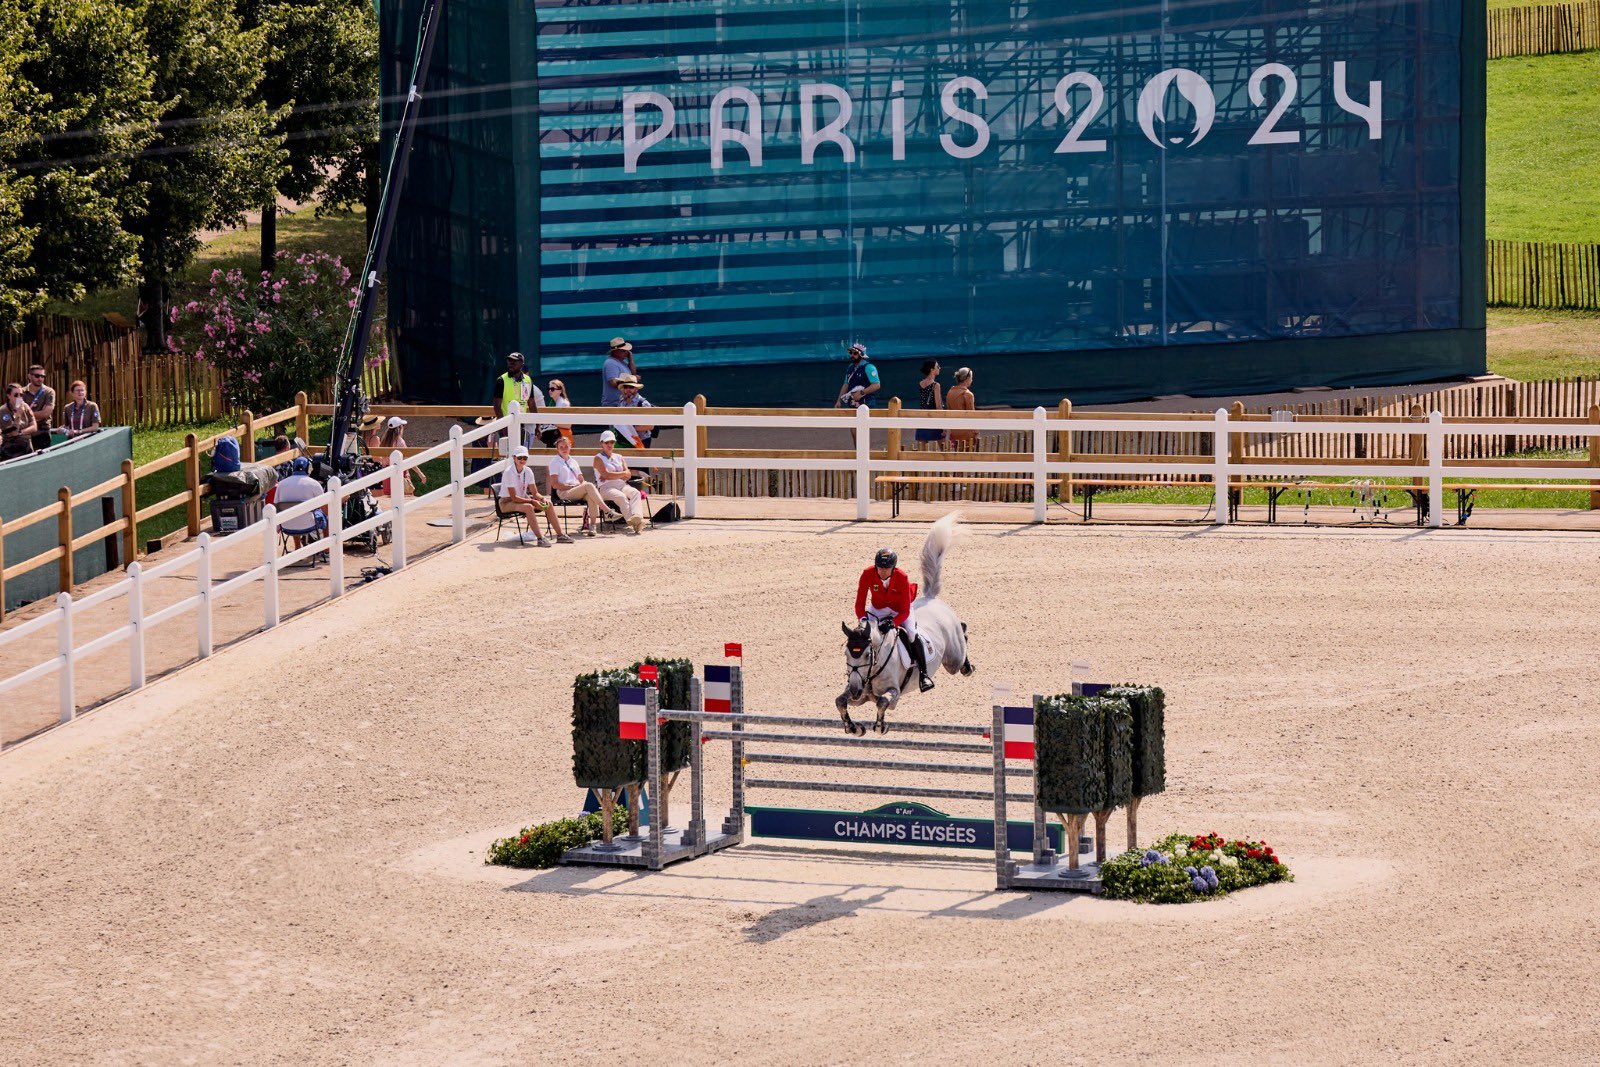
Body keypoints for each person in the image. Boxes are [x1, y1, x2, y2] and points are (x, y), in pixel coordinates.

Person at [854, 547, 934, 692]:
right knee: (863, 634)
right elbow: (859, 604)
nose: (882, 571)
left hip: (900, 608)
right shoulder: (867, 574)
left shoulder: (902, 577)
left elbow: (904, 610)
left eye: (886, 569)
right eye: (879, 568)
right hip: (878, 608)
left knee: (911, 633)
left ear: (893, 568)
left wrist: (893, 623)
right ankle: (858, 672)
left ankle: (924, 674)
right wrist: (863, 619)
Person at [500, 445, 570, 546]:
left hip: (522, 499)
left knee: (548, 503)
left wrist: (542, 498)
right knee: (529, 507)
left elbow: (535, 493)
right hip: (506, 502)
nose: (522, 460)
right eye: (519, 457)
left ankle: (560, 535)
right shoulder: (508, 472)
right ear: (514, 458)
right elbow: (514, 497)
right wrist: (532, 501)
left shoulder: (528, 471)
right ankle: (540, 538)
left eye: (525, 458)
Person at [546, 436, 612, 536]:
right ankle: (607, 510)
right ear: (557, 449)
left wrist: (583, 485)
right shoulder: (554, 462)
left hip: (576, 489)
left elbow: (581, 479)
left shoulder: (573, 461)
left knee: (590, 494)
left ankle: (592, 526)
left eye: (566, 446)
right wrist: (572, 487)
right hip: (564, 492)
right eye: (561, 447)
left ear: (570, 447)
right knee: (589, 486)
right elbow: (554, 485)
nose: (564, 449)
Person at [592, 430, 647, 533]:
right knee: (621, 496)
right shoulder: (598, 458)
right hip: (606, 488)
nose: (609, 445)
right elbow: (607, 475)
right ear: (601, 443)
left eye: (612, 442)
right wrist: (620, 473)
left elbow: (628, 475)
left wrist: (612, 475)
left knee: (635, 493)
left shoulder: (619, 456)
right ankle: (635, 523)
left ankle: (637, 518)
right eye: (606, 442)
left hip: (621, 485)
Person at [273, 457, 328, 549]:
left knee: (293, 513)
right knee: (327, 516)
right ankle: (327, 550)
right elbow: (325, 509)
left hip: (286, 526)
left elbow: (275, 507)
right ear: (308, 469)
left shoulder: (281, 484)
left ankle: (297, 547)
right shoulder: (314, 484)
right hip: (309, 525)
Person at [378, 416, 427, 495]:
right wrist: (420, 473)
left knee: (388, 500)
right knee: (405, 499)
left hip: (387, 475)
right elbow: (408, 460)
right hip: (400, 474)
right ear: (400, 428)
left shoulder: (384, 441)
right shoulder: (400, 442)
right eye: (403, 426)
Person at [612, 374, 655, 447]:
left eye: (631, 387)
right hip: (626, 440)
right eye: (626, 387)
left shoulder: (643, 404)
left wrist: (631, 429)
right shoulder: (622, 401)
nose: (628, 389)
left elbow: (650, 426)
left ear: (636, 389)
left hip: (641, 440)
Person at [835, 343, 880, 409]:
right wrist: (839, 401)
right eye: (851, 353)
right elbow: (846, 385)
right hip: (853, 404)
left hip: (866, 404)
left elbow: (876, 385)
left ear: (861, 355)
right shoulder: (850, 367)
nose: (852, 355)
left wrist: (861, 393)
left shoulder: (869, 367)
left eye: (855, 353)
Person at [915, 360, 947, 450]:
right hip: (934, 419)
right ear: (932, 369)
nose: (939, 368)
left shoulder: (921, 384)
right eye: (937, 366)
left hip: (923, 418)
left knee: (923, 452)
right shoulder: (936, 385)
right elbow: (938, 406)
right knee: (944, 450)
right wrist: (944, 425)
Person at [1, 382, 37, 459]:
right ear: (9, 396)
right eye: (16, 395)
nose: (19, 397)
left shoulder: (25, 406)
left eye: (21, 395)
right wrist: (18, 415)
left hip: (26, 445)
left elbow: (34, 427)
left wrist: (21, 432)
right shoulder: (3, 410)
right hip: (10, 448)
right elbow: (13, 432)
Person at [22, 366, 54, 450]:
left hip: (42, 431)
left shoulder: (49, 392)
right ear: (29, 376)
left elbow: (46, 413)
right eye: (37, 376)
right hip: (26, 431)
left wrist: (26, 414)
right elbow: (17, 413)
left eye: (42, 376)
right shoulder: (21, 392)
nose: (40, 378)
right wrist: (38, 414)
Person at [945, 367, 978, 451]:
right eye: (971, 377)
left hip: (954, 430)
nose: (972, 380)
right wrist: (976, 432)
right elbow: (972, 415)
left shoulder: (950, 392)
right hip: (966, 432)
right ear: (967, 378)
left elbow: (948, 411)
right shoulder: (968, 394)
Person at [601, 337, 636, 407]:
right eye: (623, 351)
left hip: (624, 404)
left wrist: (631, 358)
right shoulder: (610, 363)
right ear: (615, 351)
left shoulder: (623, 362)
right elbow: (613, 383)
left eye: (627, 350)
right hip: (614, 405)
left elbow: (633, 374)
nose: (626, 352)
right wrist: (630, 381)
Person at [546, 379, 574, 446]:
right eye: (549, 388)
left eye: (552, 389)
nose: (550, 391)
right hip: (553, 436)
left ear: (560, 391)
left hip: (563, 438)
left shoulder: (564, 404)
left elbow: (568, 425)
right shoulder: (552, 403)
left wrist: (551, 421)